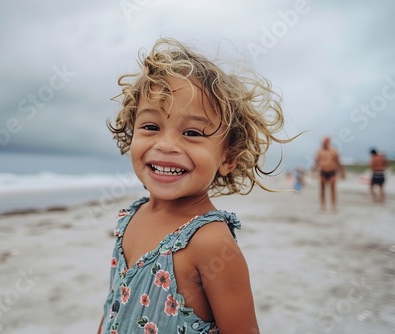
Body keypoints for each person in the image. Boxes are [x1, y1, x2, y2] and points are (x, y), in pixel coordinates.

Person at [98, 38, 291, 334]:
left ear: (228, 157)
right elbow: (114, 306)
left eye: (192, 132)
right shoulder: (130, 217)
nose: (166, 145)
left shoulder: (210, 242)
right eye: (151, 127)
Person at [312, 137, 345, 212]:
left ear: (329, 142)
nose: (323, 143)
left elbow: (338, 163)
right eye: (323, 142)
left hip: (332, 172)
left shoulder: (333, 151)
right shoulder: (319, 152)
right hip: (323, 172)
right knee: (322, 189)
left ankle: (333, 206)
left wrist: (342, 173)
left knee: (333, 189)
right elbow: (316, 162)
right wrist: (313, 172)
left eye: (325, 142)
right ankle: (323, 205)